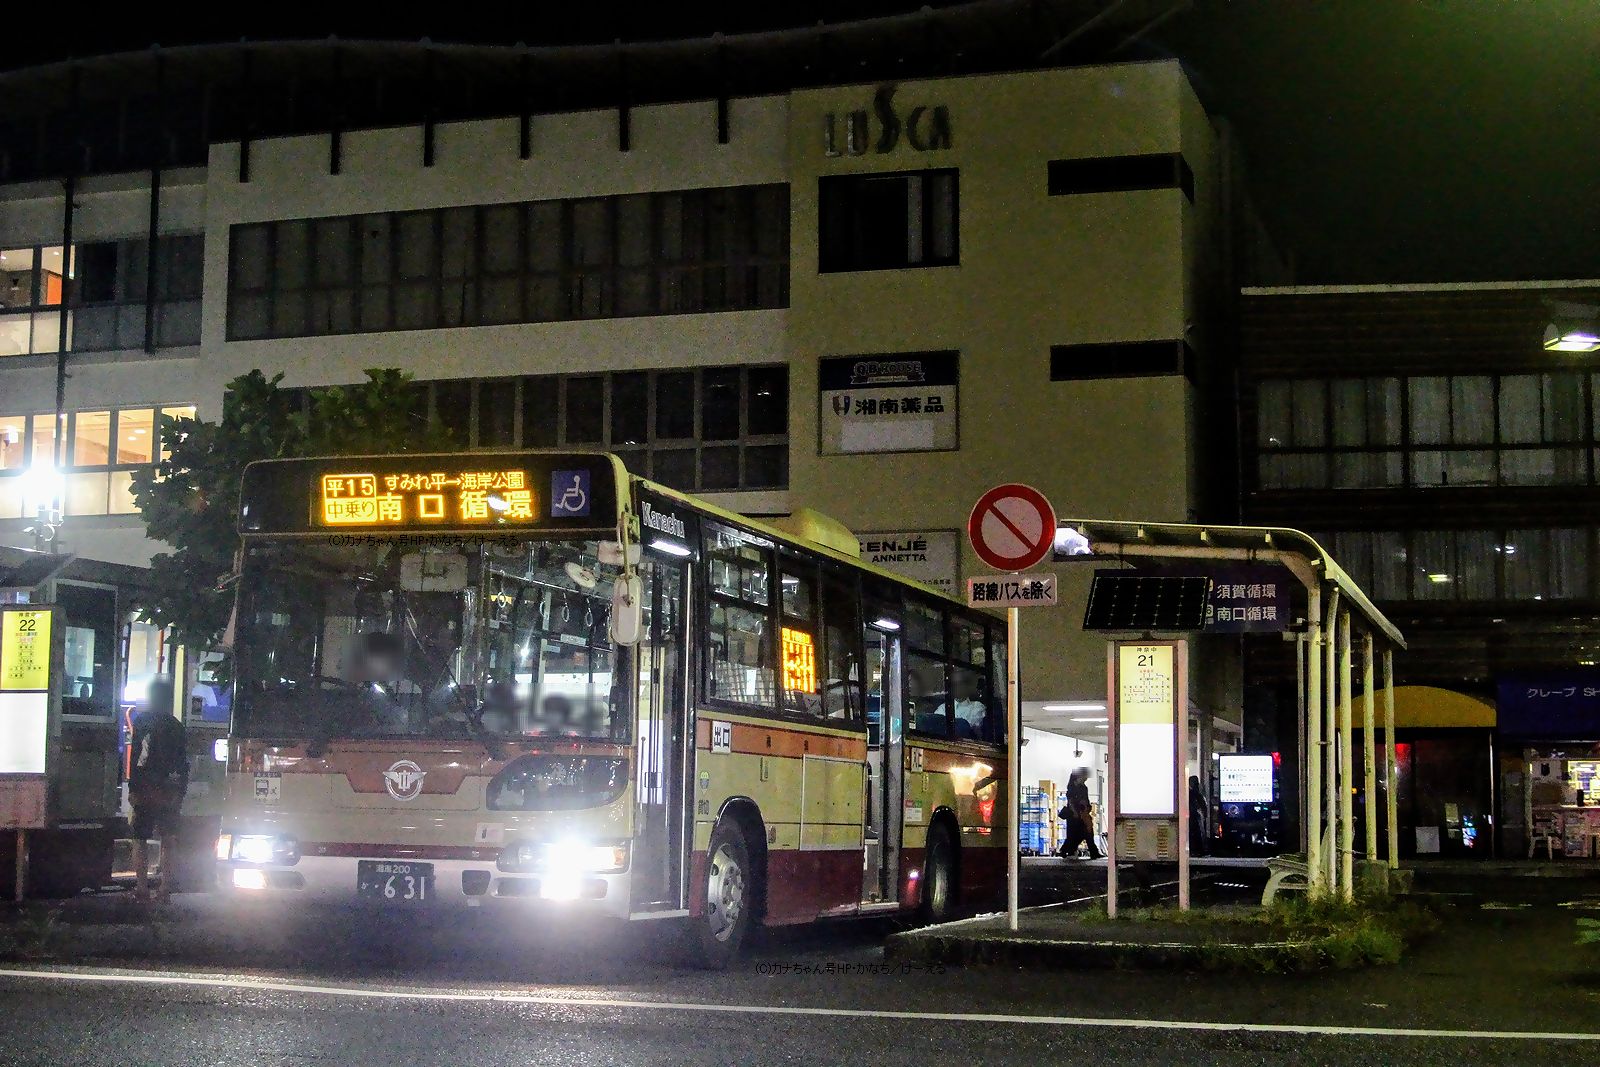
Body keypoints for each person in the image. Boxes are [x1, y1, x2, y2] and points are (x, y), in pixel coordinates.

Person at [129, 677, 189, 904]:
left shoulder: (142, 722)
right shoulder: (176, 726)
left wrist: (133, 787)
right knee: (168, 838)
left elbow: (139, 758)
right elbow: (182, 763)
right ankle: (165, 889)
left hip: (145, 788)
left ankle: (142, 887)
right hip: (169, 790)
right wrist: (179, 790)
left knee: (140, 838)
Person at [1056, 767, 1102, 860]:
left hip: (1082, 814)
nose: (1086, 779)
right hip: (1075, 815)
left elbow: (1086, 800)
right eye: (1085, 777)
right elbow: (1071, 801)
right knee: (1081, 833)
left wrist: (1087, 808)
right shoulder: (1072, 788)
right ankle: (1092, 852)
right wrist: (1075, 812)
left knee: (1083, 833)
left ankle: (1066, 850)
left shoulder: (1083, 788)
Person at [935, 668, 988, 738]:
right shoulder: (942, 708)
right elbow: (935, 726)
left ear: (966, 686)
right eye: (954, 684)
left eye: (959, 684)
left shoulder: (977, 706)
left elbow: (968, 728)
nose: (956, 687)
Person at [1189, 775, 1210, 857]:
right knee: (1198, 833)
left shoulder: (1189, 793)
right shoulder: (1196, 793)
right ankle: (1200, 850)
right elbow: (1202, 804)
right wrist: (1204, 814)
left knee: (1194, 834)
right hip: (1195, 816)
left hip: (1191, 816)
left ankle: (1195, 851)